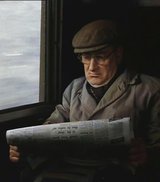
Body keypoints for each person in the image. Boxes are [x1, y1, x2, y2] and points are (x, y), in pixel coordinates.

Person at [9, 19, 160, 182]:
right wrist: (27, 145)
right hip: (71, 168)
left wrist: (146, 154)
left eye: (101, 57)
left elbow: (157, 142)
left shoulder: (149, 89)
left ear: (118, 54)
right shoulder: (75, 88)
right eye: (86, 58)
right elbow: (52, 126)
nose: (92, 67)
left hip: (118, 171)